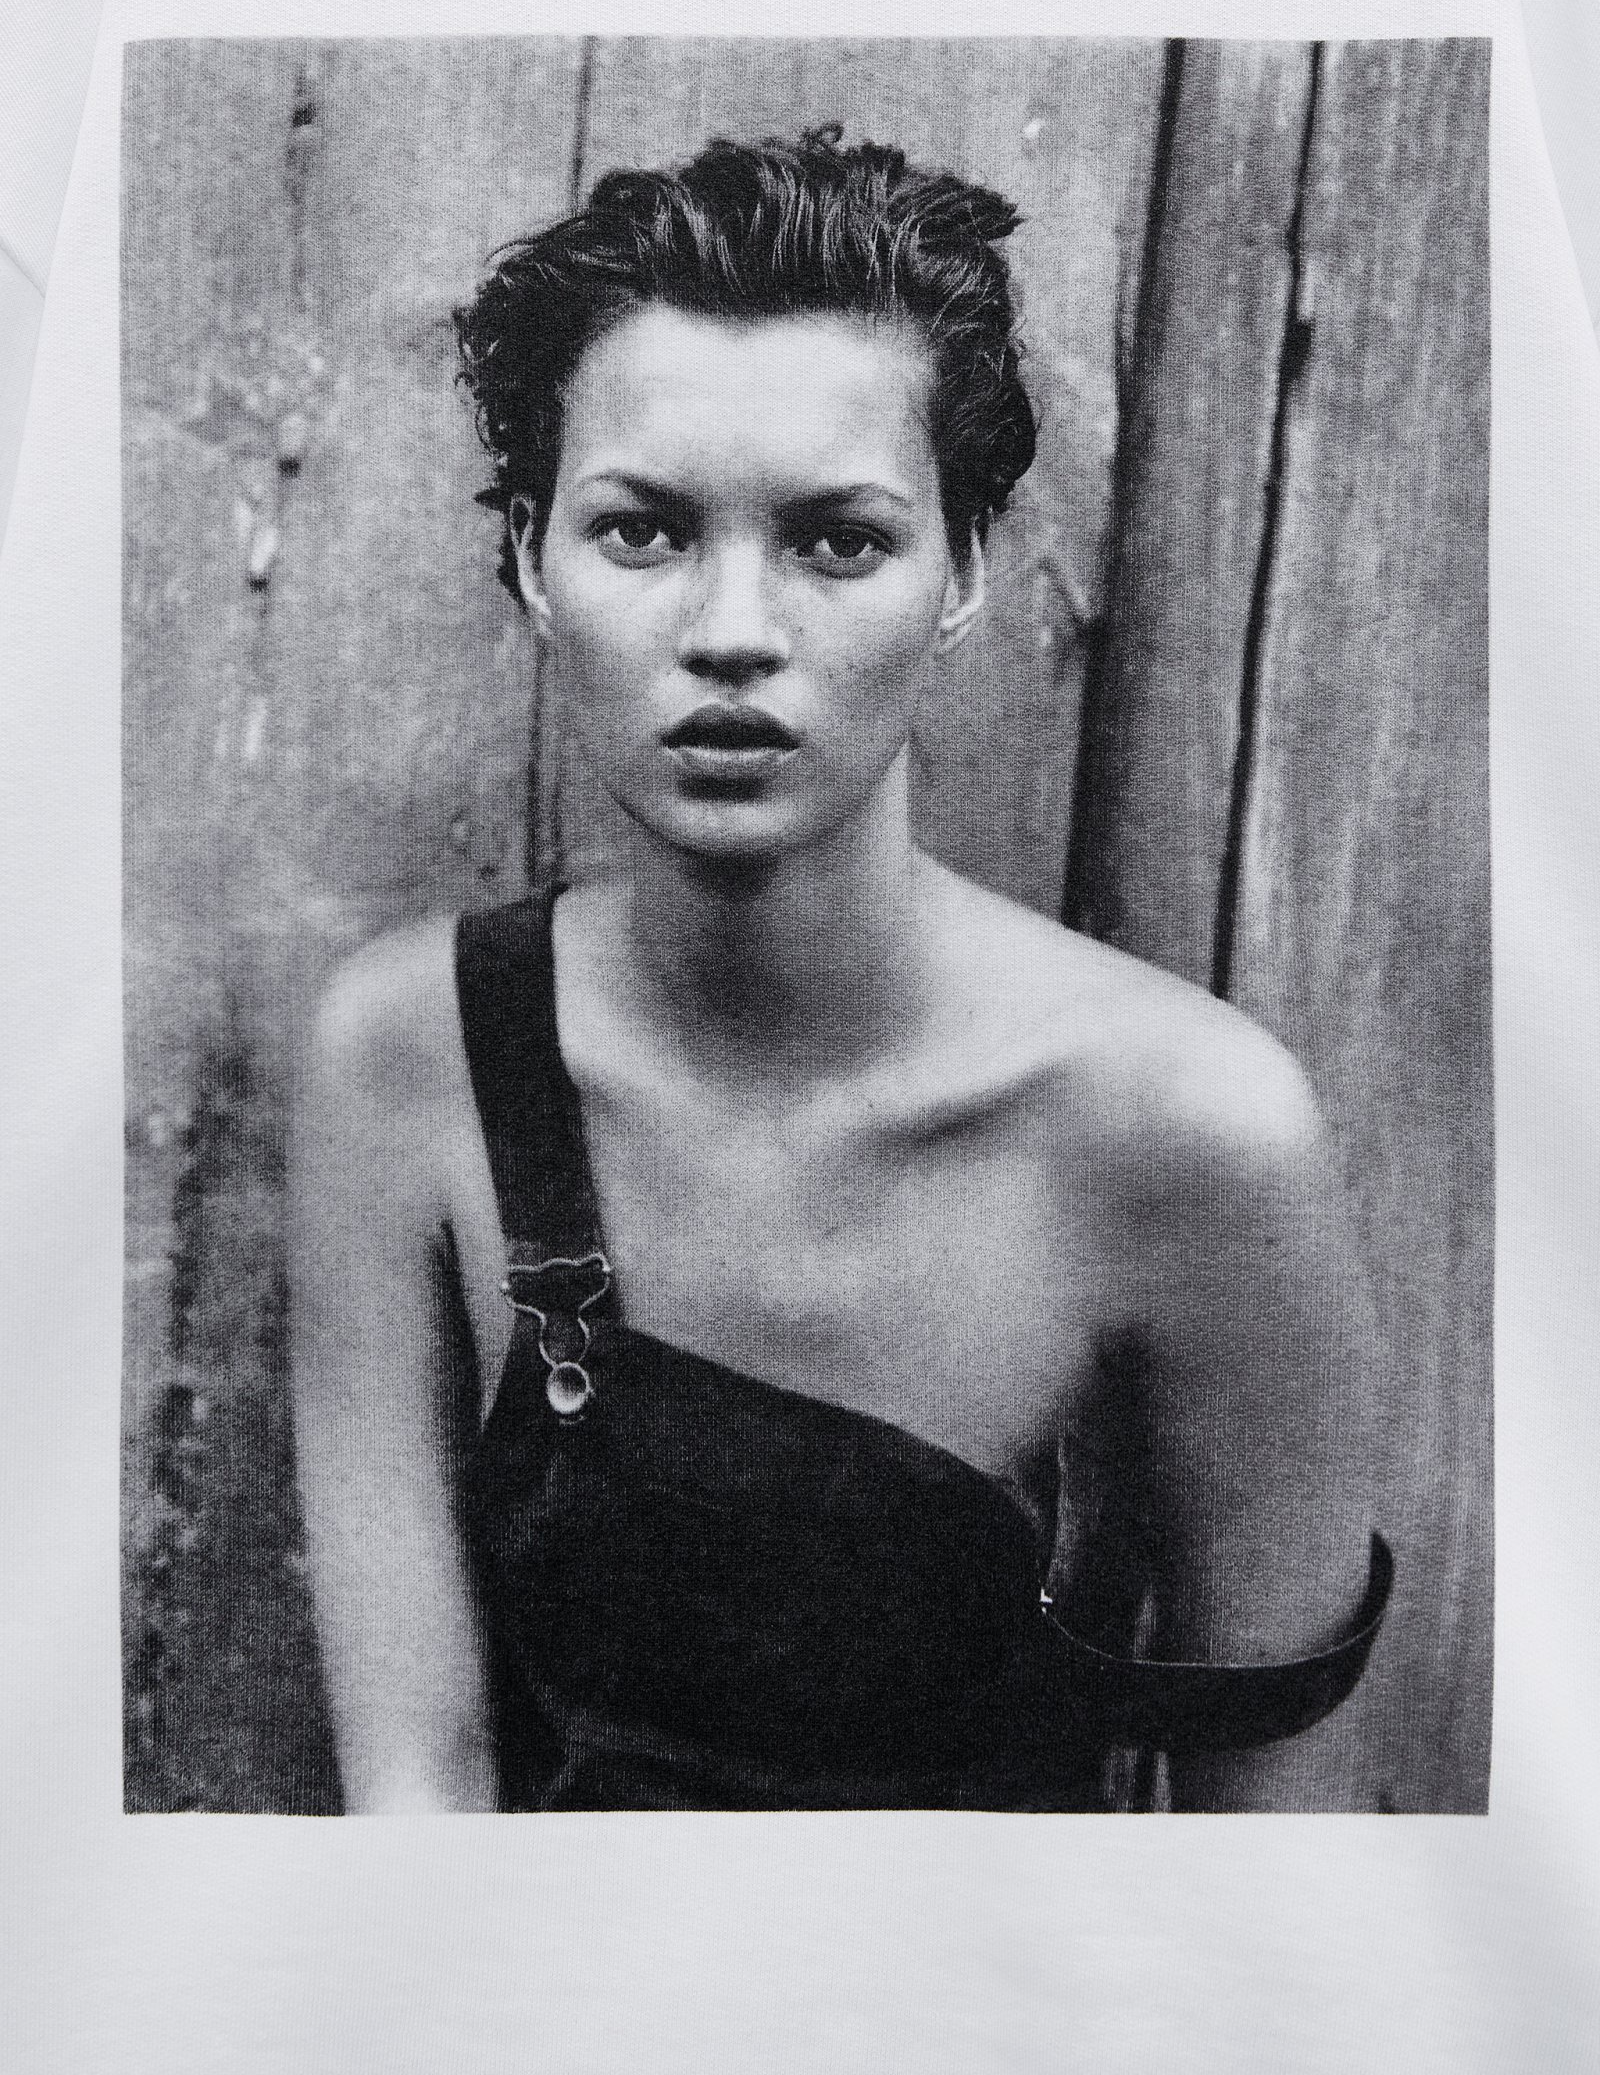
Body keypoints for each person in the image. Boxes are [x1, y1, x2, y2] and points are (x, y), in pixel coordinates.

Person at [287, 126, 1391, 1815]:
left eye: (838, 540)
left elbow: (1290, 1880)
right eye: (642, 532)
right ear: (528, 562)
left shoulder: (1197, 1134)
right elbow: (413, 1795)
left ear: (967, 569)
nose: (734, 629)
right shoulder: (409, 1058)